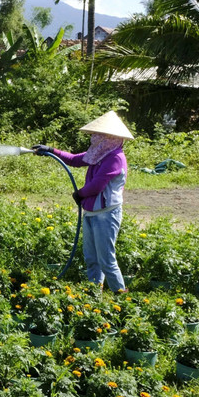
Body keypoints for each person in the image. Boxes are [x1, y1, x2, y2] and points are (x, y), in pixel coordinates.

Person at [32, 111, 134, 292]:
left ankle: (121, 298)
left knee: (106, 260)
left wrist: (80, 194)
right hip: (91, 213)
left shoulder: (115, 157)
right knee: (91, 258)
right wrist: (51, 150)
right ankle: (95, 293)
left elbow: (98, 185)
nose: (94, 137)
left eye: (98, 134)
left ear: (108, 137)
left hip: (106, 214)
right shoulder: (99, 153)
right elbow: (75, 159)